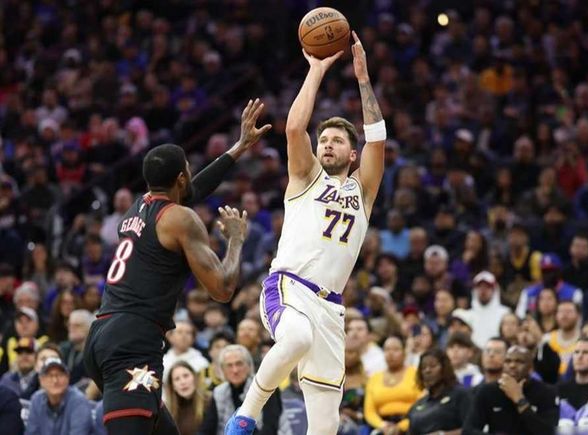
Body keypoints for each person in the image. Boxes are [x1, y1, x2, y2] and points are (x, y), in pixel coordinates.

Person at [228, 33, 386, 435]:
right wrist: (315, 71)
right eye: (324, 140)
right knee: (296, 337)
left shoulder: (363, 191)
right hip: (289, 287)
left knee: (326, 423)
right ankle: (245, 416)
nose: (327, 144)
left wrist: (363, 78)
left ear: (353, 154)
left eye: (337, 141)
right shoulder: (305, 178)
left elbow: (378, 140)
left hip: (331, 307)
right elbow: (295, 128)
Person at [83, 99, 270, 435]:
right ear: (181, 178)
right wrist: (236, 240)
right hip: (133, 344)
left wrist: (239, 147)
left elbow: (192, 190)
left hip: (102, 335)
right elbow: (223, 289)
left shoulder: (140, 207)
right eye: (187, 171)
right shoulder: (181, 219)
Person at [463, 346, 559, 435]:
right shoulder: (488, 391)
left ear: (531, 368)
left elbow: (548, 432)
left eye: (519, 361)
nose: (512, 365)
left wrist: (520, 400)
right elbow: (468, 430)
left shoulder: (546, 392)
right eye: (508, 361)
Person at [198, 345, 290, 435]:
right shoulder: (219, 392)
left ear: (249, 366)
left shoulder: (264, 386)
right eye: (229, 365)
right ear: (222, 370)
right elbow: (207, 428)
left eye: (239, 364)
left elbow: (270, 428)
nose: (235, 370)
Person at [363, 336, 422, 434]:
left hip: (411, 425)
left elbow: (421, 406)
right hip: (382, 427)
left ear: (404, 353)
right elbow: (369, 412)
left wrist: (401, 427)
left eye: (396, 349)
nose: (390, 354)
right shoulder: (374, 378)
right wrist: (382, 425)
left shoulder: (415, 374)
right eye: (387, 349)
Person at [407, 348, 471, 435]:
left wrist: (443, 434)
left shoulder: (461, 394)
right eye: (423, 368)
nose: (427, 370)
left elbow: (472, 429)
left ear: (445, 368)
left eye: (433, 366)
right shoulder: (418, 405)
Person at [26, 357, 93, 435]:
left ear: (68, 377)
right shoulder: (36, 400)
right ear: (41, 380)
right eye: (50, 375)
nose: (55, 380)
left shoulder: (79, 401)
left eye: (60, 375)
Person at [163, 360, 209, 435]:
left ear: (194, 377)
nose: (183, 382)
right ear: (173, 386)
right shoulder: (167, 411)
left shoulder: (209, 402)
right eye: (177, 379)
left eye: (186, 376)